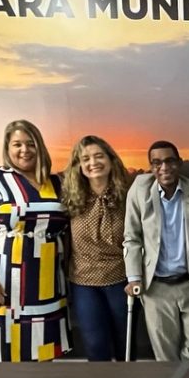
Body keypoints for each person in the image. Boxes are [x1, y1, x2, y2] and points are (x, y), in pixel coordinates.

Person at [0, 119, 70, 362]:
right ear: (7, 148)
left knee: (43, 347)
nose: (24, 150)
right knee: (6, 348)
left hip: (47, 280)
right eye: (17, 144)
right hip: (4, 277)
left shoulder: (57, 183)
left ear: (40, 147)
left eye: (30, 144)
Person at [124, 140, 189, 361]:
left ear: (180, 163)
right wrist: (134, 277)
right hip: (155, 287)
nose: (164, 167)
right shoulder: (139, 191)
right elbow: (132, 237)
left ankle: (186, 376)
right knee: (165, 356)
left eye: (169, 161)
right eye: (157, 163)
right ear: (151, 167)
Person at [62, 135, 131, 361]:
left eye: (99, 156)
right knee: (95, 345)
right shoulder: (70, 199)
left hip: (122, 281)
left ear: (111, 159)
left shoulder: (129, 196)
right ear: (79, 166)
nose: (93, 163)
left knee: (126, 345)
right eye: (86, 159)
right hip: (84, 284)